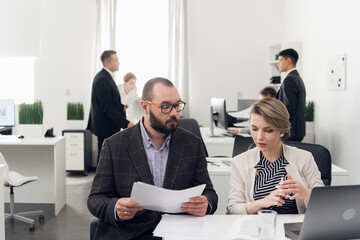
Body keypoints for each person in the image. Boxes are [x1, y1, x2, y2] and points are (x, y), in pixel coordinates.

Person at [88, 77, 218, 239]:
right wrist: (115, 208)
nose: (173, 113)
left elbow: (209, 192)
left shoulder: (192, 143)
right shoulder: (115, 145)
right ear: (145, 107)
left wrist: (206, 204)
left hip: (177, 233)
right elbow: (95, 199)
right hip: (128, 234)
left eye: (177, 106)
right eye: (165, 107)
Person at [227, 98, 323, 215]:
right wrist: (262, 202)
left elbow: (323, 205)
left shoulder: (304, 158)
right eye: (254, 129)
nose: (259, 137)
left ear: (282, 130)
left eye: (268, 130)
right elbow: (232, 210)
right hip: (256, 228)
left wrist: (306, 193)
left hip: (294, 228)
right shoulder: (240, 162)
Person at [87, 50, 134, 161]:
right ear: (107, 63)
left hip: (108, 125)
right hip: (105, 127)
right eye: (116, 60)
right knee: (104, 157)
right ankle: (100, 178)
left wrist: (121, 107)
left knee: (108, 157)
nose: (119, 63)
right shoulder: (102, 79)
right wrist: (127, 124)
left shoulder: (106, 77)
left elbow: (108, 102)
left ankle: (106, 178)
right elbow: (107, 108)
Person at [276, 48, 306, 142]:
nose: (278, 64)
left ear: (288, 61)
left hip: (290, 132)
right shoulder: (297, 78)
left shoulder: (289, 80)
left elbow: (288, 109)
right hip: (297, 131)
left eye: (280, 60)